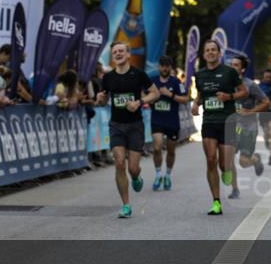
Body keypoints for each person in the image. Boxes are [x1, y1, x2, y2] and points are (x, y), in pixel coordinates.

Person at [96, 41, 159, 219]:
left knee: (132, 168)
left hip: (135, 126)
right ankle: (126, 205)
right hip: (116, 125)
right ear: (112, 56)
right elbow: (102, 99)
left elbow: (155, 93)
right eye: (115, 52)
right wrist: (100, 98)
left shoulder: (139, 75)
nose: (117, 54)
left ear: (128, 54)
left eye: (121, 51)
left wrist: (139, 102)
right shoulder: (108, 78)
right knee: (119, 163)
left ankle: (136, 176)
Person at [191, 40, 247, 216]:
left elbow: (243, 91)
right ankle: (216, 202)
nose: (210, 52)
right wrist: (195, 104)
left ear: (219, 53)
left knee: (224, 164)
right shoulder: (200, 75)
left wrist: (228, 96)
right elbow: (201, 95)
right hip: (209, 121)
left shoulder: (229, 72)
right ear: (204, 54)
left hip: (227, 121)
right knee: (210, 160)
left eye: (213, 50)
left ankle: (227, 170)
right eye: (207, 50)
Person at [230, 55, 269, 199]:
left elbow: (266, 102)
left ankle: (255, 159)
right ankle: (235, 189)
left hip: (248, 127)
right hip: (232, 128)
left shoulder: (250, 85)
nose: (232, 67)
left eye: (236, 65)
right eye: (231, 64)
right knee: (228, 157)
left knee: (244, 162)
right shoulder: (226, 84)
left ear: (242, 69)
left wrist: (250, 111)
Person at [150, 56, 189, 191]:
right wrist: (152, 99)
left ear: (170, 68)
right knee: (157, 147)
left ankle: (167, 175)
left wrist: (170, 95)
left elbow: (185, 99)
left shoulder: (176, 82)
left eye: (167, 66)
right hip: (157, 120)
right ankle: (158, 174)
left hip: (172, 121)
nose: (164, 68)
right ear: (159, 67)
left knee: (171, 151)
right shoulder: (153, 82)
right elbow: (146, 95)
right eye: (162, 66)